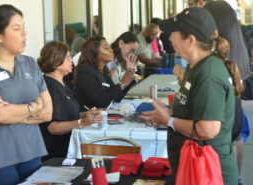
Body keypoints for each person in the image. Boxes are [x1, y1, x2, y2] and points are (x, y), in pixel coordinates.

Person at [141, 7, 239, 185]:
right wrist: (170, 113)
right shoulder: (196, 66)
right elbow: (196, 110)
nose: (169, 38)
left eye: (174, 34)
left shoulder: (208, 73)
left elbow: (208, 129)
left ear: (191, 40)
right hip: (195, 169)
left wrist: (169, 121)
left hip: (209, 174)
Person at [0, 5, 52, 185]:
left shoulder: (29, 63)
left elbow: (48, 112)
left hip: (31, 150)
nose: (24, 34)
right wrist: (34, 106)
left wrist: (13, 112)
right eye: (17, 29)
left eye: (24, 27)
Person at [204, 2, 250, 184]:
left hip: (225, 107)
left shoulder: (218, 49)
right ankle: (236, 177)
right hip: (236, 105)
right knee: (235, 137)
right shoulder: (236, 42)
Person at [37, 41, 102, 160]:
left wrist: (88, 114)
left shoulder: (62, 83)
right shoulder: (50, 86)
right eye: (67, 56)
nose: (71, 60)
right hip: (56, 153)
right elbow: (53, 127)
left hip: (69, 146)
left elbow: (68, 114)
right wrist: (82, 122)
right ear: (56, 60)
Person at [74, 36, 135, 111]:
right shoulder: (85, 71)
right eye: (106, 48)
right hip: (90, 119)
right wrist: (123, 83)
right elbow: (100, 101)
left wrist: (129, 75)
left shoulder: (103, 71)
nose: (111, 50)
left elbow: (115, 97)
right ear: (94, 51)